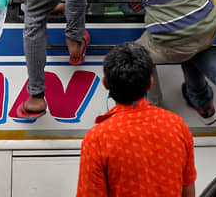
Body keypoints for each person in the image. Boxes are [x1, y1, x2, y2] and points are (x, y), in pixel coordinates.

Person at [75, 42, 197, 197]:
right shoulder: (177, 126)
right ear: (150, 84)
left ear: (106, 84)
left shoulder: (98, 138)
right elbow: (188, 190)